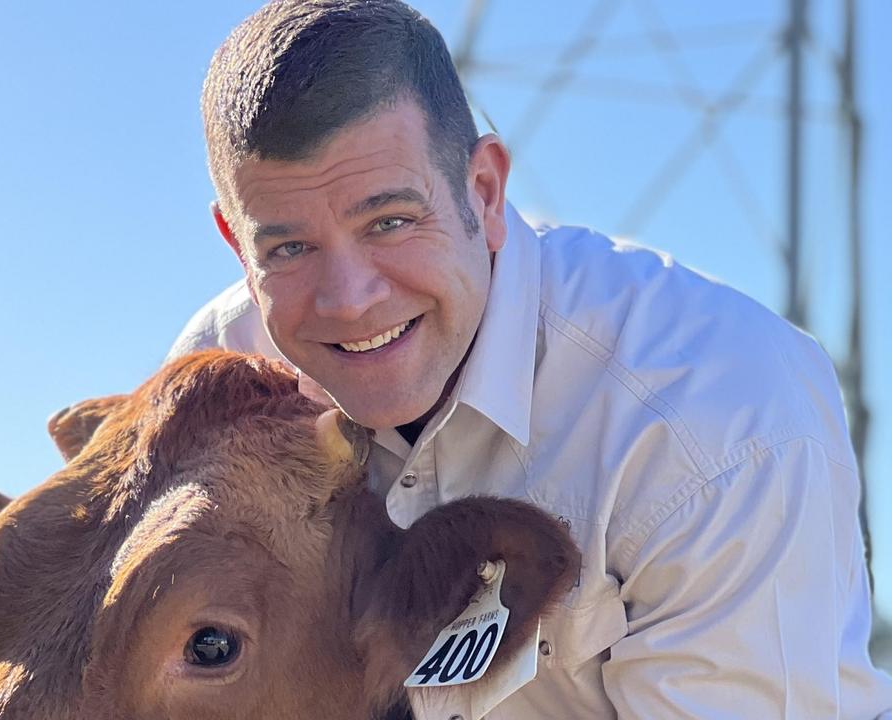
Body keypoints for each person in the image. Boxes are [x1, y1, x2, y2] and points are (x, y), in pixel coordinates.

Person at [167, 1, 892, 717]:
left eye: (390, 222)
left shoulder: (715, 421)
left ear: (483, 192)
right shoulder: (221, 380)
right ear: (236, 242)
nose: (350, 301)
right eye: (289, 248)